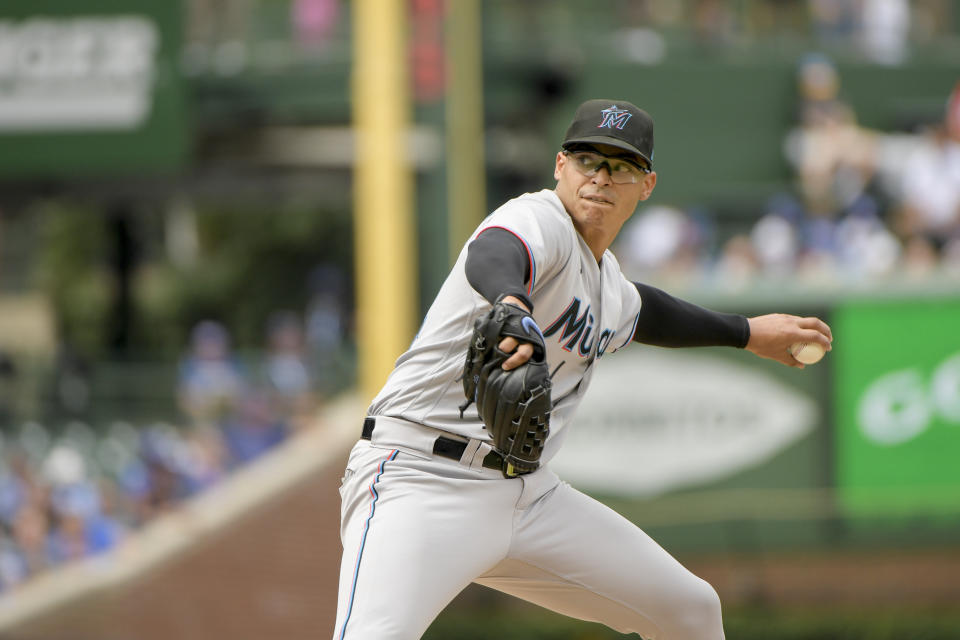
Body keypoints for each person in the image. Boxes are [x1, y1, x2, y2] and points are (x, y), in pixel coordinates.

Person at [333, 99, 833, 640]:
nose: (599, 177)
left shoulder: (605, 282)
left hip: (527, 497)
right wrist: (511, 304)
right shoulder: (537, 219)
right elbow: (497, 251)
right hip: (420, 477)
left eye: (620, 166)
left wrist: (747, 333)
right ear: (559, 166)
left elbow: (647, 312)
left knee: (690, 610)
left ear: (646, 185)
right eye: (586, 159)